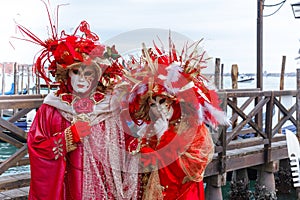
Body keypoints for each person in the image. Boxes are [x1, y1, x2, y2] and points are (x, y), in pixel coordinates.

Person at [15, 5, 140, 198]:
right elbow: (37, 147)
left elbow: (126, 143)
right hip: (67, 186)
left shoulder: (109, 106)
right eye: (76, 72)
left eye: (88, 73)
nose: (81, 79)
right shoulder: (52, 108)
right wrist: (66, 138)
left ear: (96, 76)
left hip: (103, 188)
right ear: (66, 74)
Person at [126, 40, 230, 199]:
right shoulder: (150, 128)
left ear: (175, 102)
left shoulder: (192, 128)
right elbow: (144, 162)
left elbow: (189, 170)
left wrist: (164, 136)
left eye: (163, 101)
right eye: (153, 104)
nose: (159, 108)